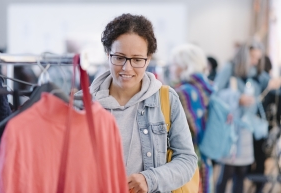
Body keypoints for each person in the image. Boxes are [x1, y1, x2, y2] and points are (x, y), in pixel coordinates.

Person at [89, 13, 198, 193]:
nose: (127, 68)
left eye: (137, 60)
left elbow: (187, 160)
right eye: (119, 57)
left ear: (148, 60)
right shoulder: (83, 105)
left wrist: (150, 179)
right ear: (108, 54)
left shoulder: (166, 99)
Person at [214, 39, 280, 193]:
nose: (255, 61)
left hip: (246, 128)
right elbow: (215, 93)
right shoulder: (229, 68)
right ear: (244, 55)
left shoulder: (256, 72)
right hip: (230, 127)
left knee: (242, 171)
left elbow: (269, 84)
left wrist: (275, 83)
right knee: (227, 170)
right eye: (253, 57)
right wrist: (237, 98)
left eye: (258, 58)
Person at [170, 44, 214, 193]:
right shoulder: (206, 87)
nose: (171, 67)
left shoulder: (183, 92)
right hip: (205, 156)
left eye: (175, 63)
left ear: (185, 66)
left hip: (189, 159)